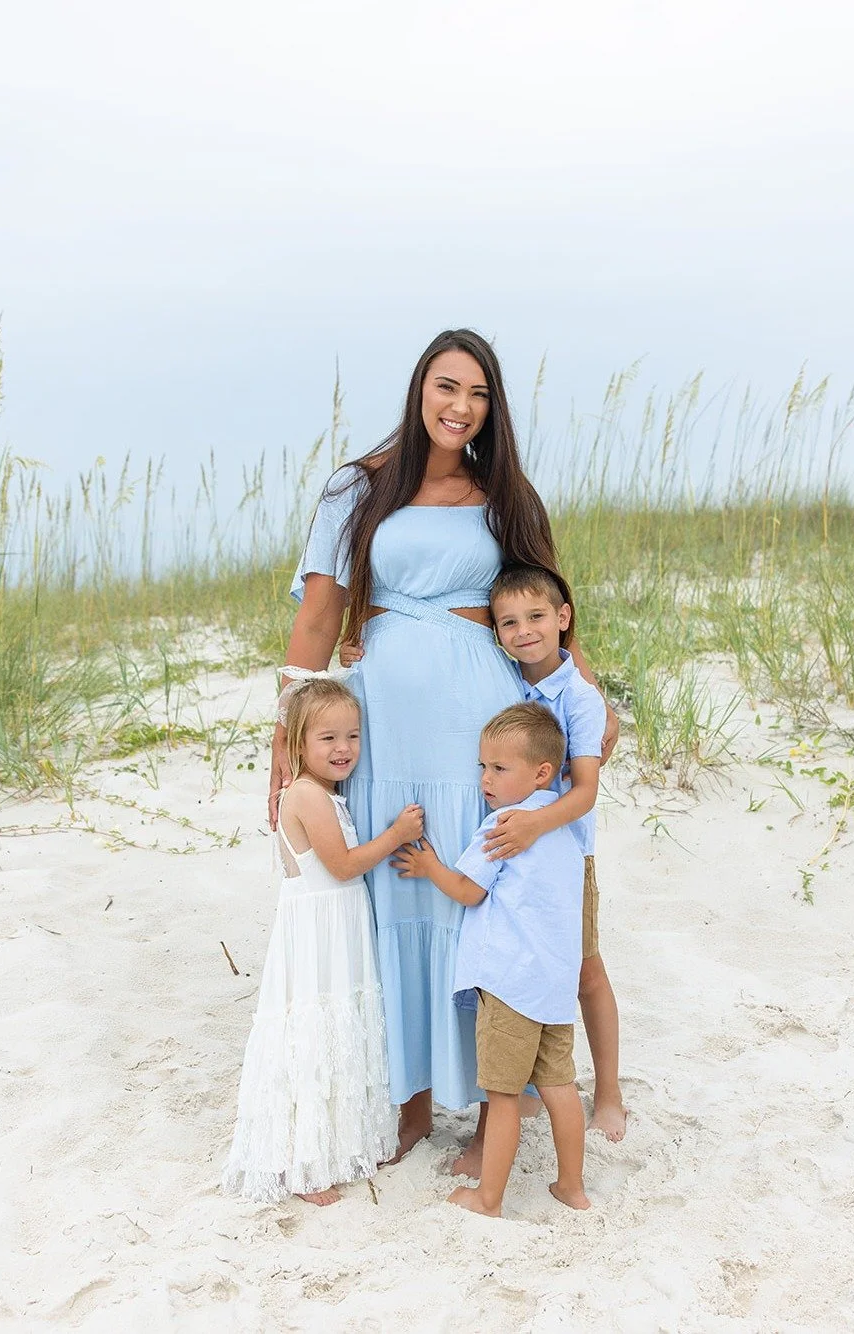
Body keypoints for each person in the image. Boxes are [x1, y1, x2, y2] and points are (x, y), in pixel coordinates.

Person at [271, 328, 617, 1160]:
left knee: (480, 895)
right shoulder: (357, 489)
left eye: (479, 395)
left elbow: (548, 612)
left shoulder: (506, 494)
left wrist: (585, 704)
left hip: (480, 727)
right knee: (399, 901)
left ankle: (495, 1099)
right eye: (446, 388)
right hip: (385, 721)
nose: (461, 408)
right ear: (419, 389)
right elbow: (320, 616)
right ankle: (413, 1101)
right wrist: (283, 739)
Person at [222, 677, 423, 1206]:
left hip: (337, 928)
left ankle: (340, 1143)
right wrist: (397, 836)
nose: (343, 749)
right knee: (314, 1036)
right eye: (327, 738)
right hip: (317, 933)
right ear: (297, 747)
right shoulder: (307, 796)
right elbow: (341, 866)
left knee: (340, 1028)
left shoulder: (326, 794)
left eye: (353, 736)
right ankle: (307, 1166)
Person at [394, 703, 589, 1217]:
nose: (485, 779)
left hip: (507, 985)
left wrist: (428, 864)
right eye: (483, 766)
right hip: (553, 987)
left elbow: (468, 891)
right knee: (560, 1087)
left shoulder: (503, 825)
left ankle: (488, 1198)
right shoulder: (565, 830)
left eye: (499, 769)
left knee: (502, 1096)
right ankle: (572, 1186)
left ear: (542, 772)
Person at [488, 563, 627, 1141]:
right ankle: (525, 1088)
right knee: (521, 966)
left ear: (563, 618)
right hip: (516, 854)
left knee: (584, 970)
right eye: (509, 622)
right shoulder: (501, 680)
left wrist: (534, 825)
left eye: (537, 617)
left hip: (565, 854)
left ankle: (611, 1091)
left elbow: (586, 790)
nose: (524, 631)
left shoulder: (580, 698)